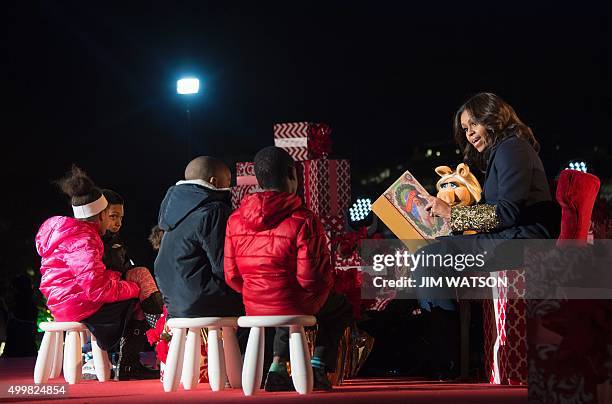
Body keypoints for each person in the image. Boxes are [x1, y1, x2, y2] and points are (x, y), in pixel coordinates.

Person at [415, 92, 560, 378]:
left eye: (472, 125)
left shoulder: (512, 149)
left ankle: (449, 360)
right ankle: (453, 355)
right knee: (433, 252)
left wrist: (452, 214)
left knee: (431, 259)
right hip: (517, 235)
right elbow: (498, 211)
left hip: (527, 239)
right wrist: (453, 219)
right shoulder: (506, 150)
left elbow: (506, 213)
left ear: (492, 118)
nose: (468, 134)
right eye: (464, 129)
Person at [224, 146, 353, 391]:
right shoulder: (304, 218)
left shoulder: (235, 219)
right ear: (292, 176)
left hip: (254, 301)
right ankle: (317, 366)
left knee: (285, 296)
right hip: (293, 300)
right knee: (339, 307)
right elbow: (311, 280)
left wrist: (258, 290)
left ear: (258, 179)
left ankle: (277, 367)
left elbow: (231, 275)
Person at [35, 166, 158, 380]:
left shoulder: (63, 231)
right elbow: (97, 289)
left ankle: (137, 358)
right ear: (101, 215)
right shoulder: (85, 240)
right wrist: (134, 288)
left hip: (60, 302)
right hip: (79, 305)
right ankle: (135, 361)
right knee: (139, 299)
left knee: (137, 287)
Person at [154, 156, 244, 319]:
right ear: (214, 181)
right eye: (229, 180)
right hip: (203, 301)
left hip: (174, 303)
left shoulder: (173, 211)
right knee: (260, 307)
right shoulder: (214, 210)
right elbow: (224, 266)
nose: (230, 186)